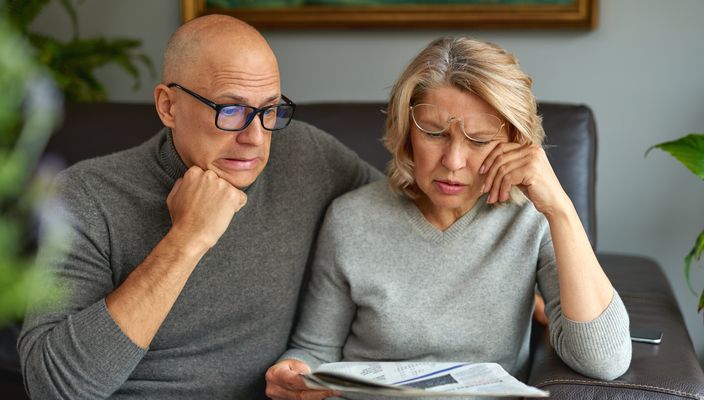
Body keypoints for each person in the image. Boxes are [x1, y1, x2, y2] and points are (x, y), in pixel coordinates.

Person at [18, 15, 379, 400]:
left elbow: (408, 207)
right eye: (230, 110)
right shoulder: (86, 194)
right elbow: (53, 387)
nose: (255, 138)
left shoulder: (306, 156)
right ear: (168, 106)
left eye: (269, 109)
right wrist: (186, 239)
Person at [265, 36, 632, 400]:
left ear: (515, 142)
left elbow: (605, 362)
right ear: (407, 133)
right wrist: (294, 372)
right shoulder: (350, 218)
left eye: (479, 140)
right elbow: (315, 350)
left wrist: (561, 210)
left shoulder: (531, 220)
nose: (453, 161)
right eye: (435, 133)